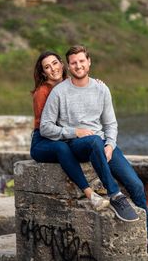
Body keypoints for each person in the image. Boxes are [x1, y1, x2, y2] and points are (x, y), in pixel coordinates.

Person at [40, 45, 148, 260]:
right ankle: (114, 194)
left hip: (103, 145)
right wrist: (75, 131)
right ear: (68, 66)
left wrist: (110, 144)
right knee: (92, 141)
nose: (78, 65)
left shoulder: (101, 89)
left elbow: (111, 123)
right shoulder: (59, 92)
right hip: (78, 145)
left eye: (82, 61)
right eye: (73, 62)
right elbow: (45, 127)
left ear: (89, 62)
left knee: (136, 185)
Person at [30, 50, 109, 211]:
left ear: (62, 63)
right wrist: (75, 131)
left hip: (64, 135)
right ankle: (90, 194)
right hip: (43, 140)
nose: (53, 69)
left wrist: (97, 84)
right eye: (47, 67)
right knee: (62, 148)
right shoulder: (42, 92)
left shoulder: (70, 82)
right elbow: (46, 127)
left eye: (54, 63)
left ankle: (110, 189)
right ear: (44, 72)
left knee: (73, 145)